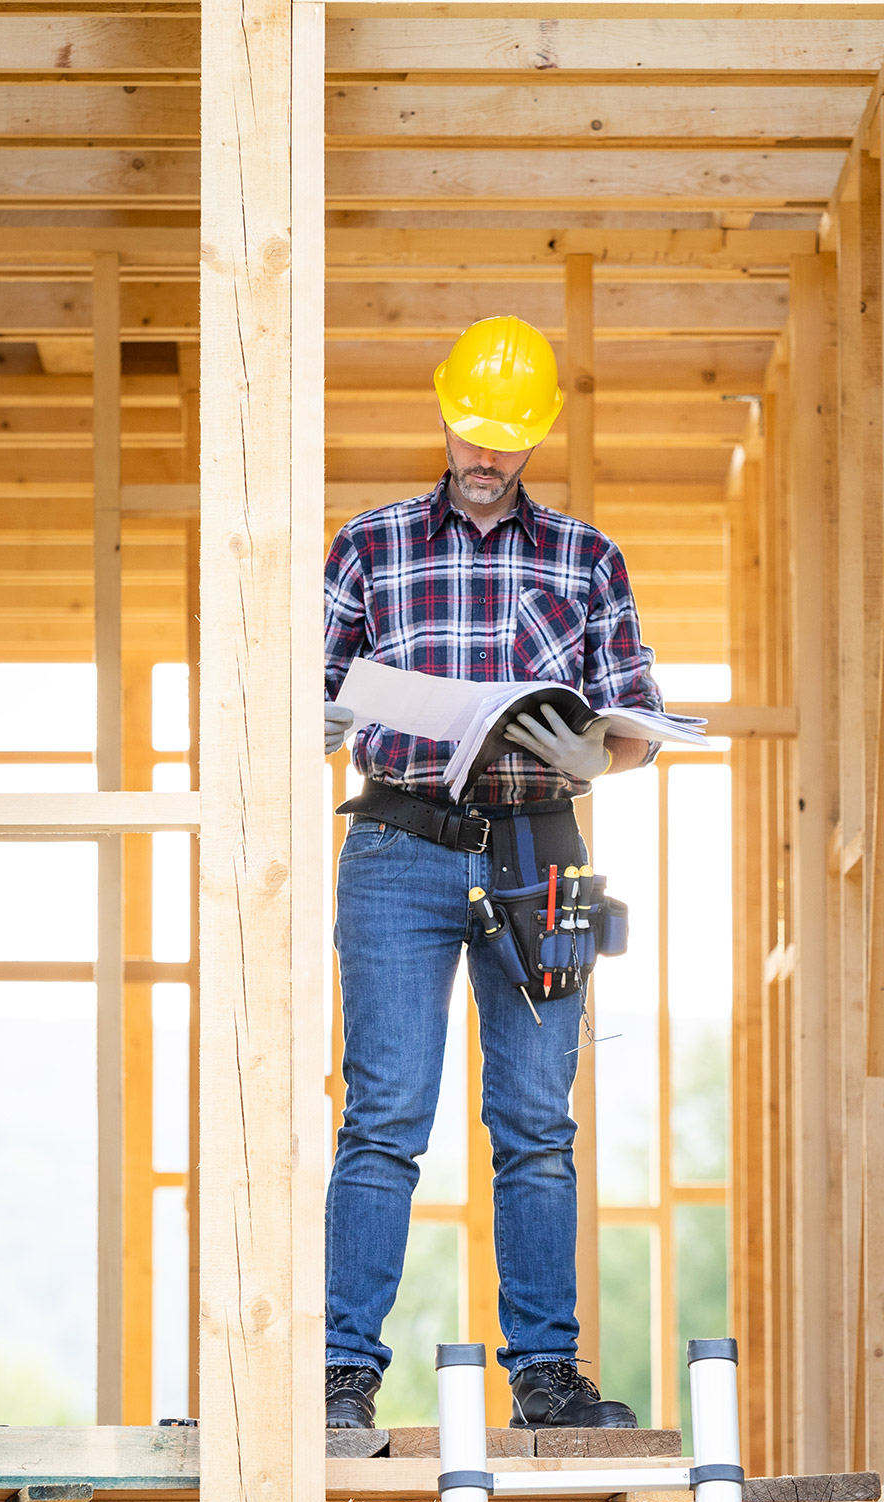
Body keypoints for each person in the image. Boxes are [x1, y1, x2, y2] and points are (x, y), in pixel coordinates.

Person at [318, 316, 664, 1431]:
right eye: (471, 430)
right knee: (383, 1120)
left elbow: (640, 718)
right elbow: (305, 694)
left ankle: (547, 1380)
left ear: (538, 436)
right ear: (443, 411)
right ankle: (339, 1376)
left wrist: (602, 751)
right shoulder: (368, 546)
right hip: (397, 850)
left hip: (536, 853)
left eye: (507, 438)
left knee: (536, 1123)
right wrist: (326, 706)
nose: (484, 455)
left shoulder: (586, 556)